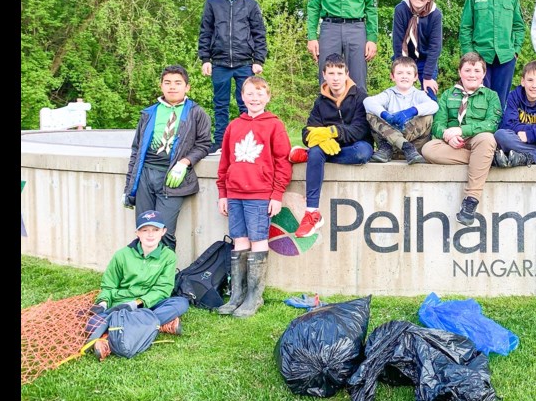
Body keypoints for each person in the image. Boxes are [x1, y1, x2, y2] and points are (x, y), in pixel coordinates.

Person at [215, 76, 293, 318]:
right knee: (240, 240)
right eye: (250, 93)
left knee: (258, 240)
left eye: (260, 94)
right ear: (242, 96)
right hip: (235, 192)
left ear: (268, 97)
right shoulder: (234, 126)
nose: (254, 98)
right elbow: (225, 161)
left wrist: (276, 194)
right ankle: (237, 295)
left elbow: (283, 161)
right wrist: (223, 193)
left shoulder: (274, 125)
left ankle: (254, 297)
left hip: (259, 194)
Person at [122, 65, 211, 251]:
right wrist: (129, 186)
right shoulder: (149, 113)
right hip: (146, 175)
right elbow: (136, 150)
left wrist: (185, 162)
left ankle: (165, 278)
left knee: (165, 231)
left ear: (187, 87)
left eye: (178, 83)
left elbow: (204, 144)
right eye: (167, 82)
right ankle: (144, 276)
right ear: (161, 86)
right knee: (144, 229)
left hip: (172, 179)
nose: (172, 87)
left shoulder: (196, 113)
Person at [87, 210, 190, 361]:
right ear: (137, 233)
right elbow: (108, 286)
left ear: (163, 232)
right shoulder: (121, 255)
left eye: (155, 230)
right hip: (122, 305)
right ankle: (158, 324)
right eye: (145, 230)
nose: (150, 235)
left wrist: (138, 303)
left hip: (148, 304)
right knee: (91, 322)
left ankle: (108, 337)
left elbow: (163, 289)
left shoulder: (168, 256)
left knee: (181, 303)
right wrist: (103, 303)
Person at [295, 55, 373, 238]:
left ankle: (311, 156)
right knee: (315, 150)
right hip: (327, 146)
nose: (335, 78)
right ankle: (312, 212)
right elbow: (307, 133)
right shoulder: (320, 102)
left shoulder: (360, 96)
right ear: (324, 75)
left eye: (339, 73)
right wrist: (319, 140)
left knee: (361, 153)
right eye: (331, 73)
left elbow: (359, 130)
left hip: (357, 146)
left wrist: (332, 132)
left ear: (347, 74)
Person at [422, 52, 502, 226]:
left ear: (483, 73)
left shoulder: (491, 96)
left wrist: (461, 130)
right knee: (428, 149)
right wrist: (446, 135)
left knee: (487, 139)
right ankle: (485, 159)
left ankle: (470, 202)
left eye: (476, 70)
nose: (472, 74)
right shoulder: (448, 95)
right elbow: (437, 124)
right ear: (460, 72)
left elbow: (492, 124)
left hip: (477, 140)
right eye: (467, 70)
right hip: (453, 145)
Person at [198, 0, 268, 152]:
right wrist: (205, 59)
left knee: (247, 103)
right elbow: (205, 32)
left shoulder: (250, 4)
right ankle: (220, 141)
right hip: (219, 62)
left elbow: (259, 33)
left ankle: (249, 139)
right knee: (220, 104)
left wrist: (258, 59)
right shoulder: (212, 3)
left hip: (244, 63)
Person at [459, 0, 525, 110]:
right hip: (480, 57)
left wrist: (515, 50)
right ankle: (480, 132)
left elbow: (519, 26)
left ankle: (499, 133)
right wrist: (469, 55)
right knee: (479, 98)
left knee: (501, 100)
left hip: (506, 57)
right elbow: (466, 27)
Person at [364, 56, 438, 165]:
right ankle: (403, 145)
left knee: (427, 116)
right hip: (387, 151)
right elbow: (367, 101)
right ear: (392, 76)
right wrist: (385, 115)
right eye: (399, 73)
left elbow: (434, 105)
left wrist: (412, 111)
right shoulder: (389, 94)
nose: (404, 76)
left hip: (413, 150)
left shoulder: (419, 95)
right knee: (371, 114)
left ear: (415, 77)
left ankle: (404, 145)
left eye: (408, 73)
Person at [391, 0, 442, 101]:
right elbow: (397, 42)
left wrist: (427, 77)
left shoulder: (435, 15)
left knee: (428, 94)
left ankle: (429, 120)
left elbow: (435, 47)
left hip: (426, 60)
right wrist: (402, 70)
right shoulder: (401, 10)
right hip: (404, 57)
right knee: (403, 94)